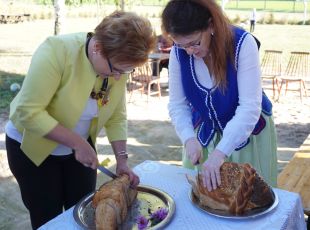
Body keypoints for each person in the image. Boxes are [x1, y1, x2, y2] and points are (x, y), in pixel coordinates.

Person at [5, 11, 156, 229]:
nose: (118, 77)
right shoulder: (56, 51)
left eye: (126, 71)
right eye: (117, 69)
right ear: (97, 48)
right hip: (32, 152)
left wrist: (122, 160)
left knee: (85, 212)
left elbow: (117, 115)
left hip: (79, 152)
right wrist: (77, 143)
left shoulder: (117, 68)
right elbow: (28, 112)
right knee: (48, 219)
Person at [162, 0, 277, 192]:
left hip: (247, 133)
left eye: (194, 43)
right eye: (181, 45)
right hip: (206, 134)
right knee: (205, 198)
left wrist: (220, 153)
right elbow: (177, 104)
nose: (189, 51)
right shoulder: (178, 52)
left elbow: (249, 108)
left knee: (248, 199)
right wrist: (189, 138)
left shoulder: (241, 44)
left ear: (210, 25)